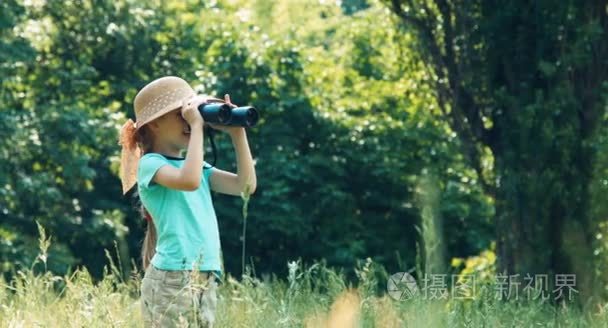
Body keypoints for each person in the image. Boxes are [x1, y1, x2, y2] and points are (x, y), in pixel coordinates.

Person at [118, 76, 257, 327]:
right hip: (172, 276)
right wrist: (196, 127)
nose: (190, 121)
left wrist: (238, 134)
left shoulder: (195, 167)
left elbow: (245, 187)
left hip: (205, 272)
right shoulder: (151, 164)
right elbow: (189, 180)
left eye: (191, 113)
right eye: (181, 114)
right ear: (155, 123)